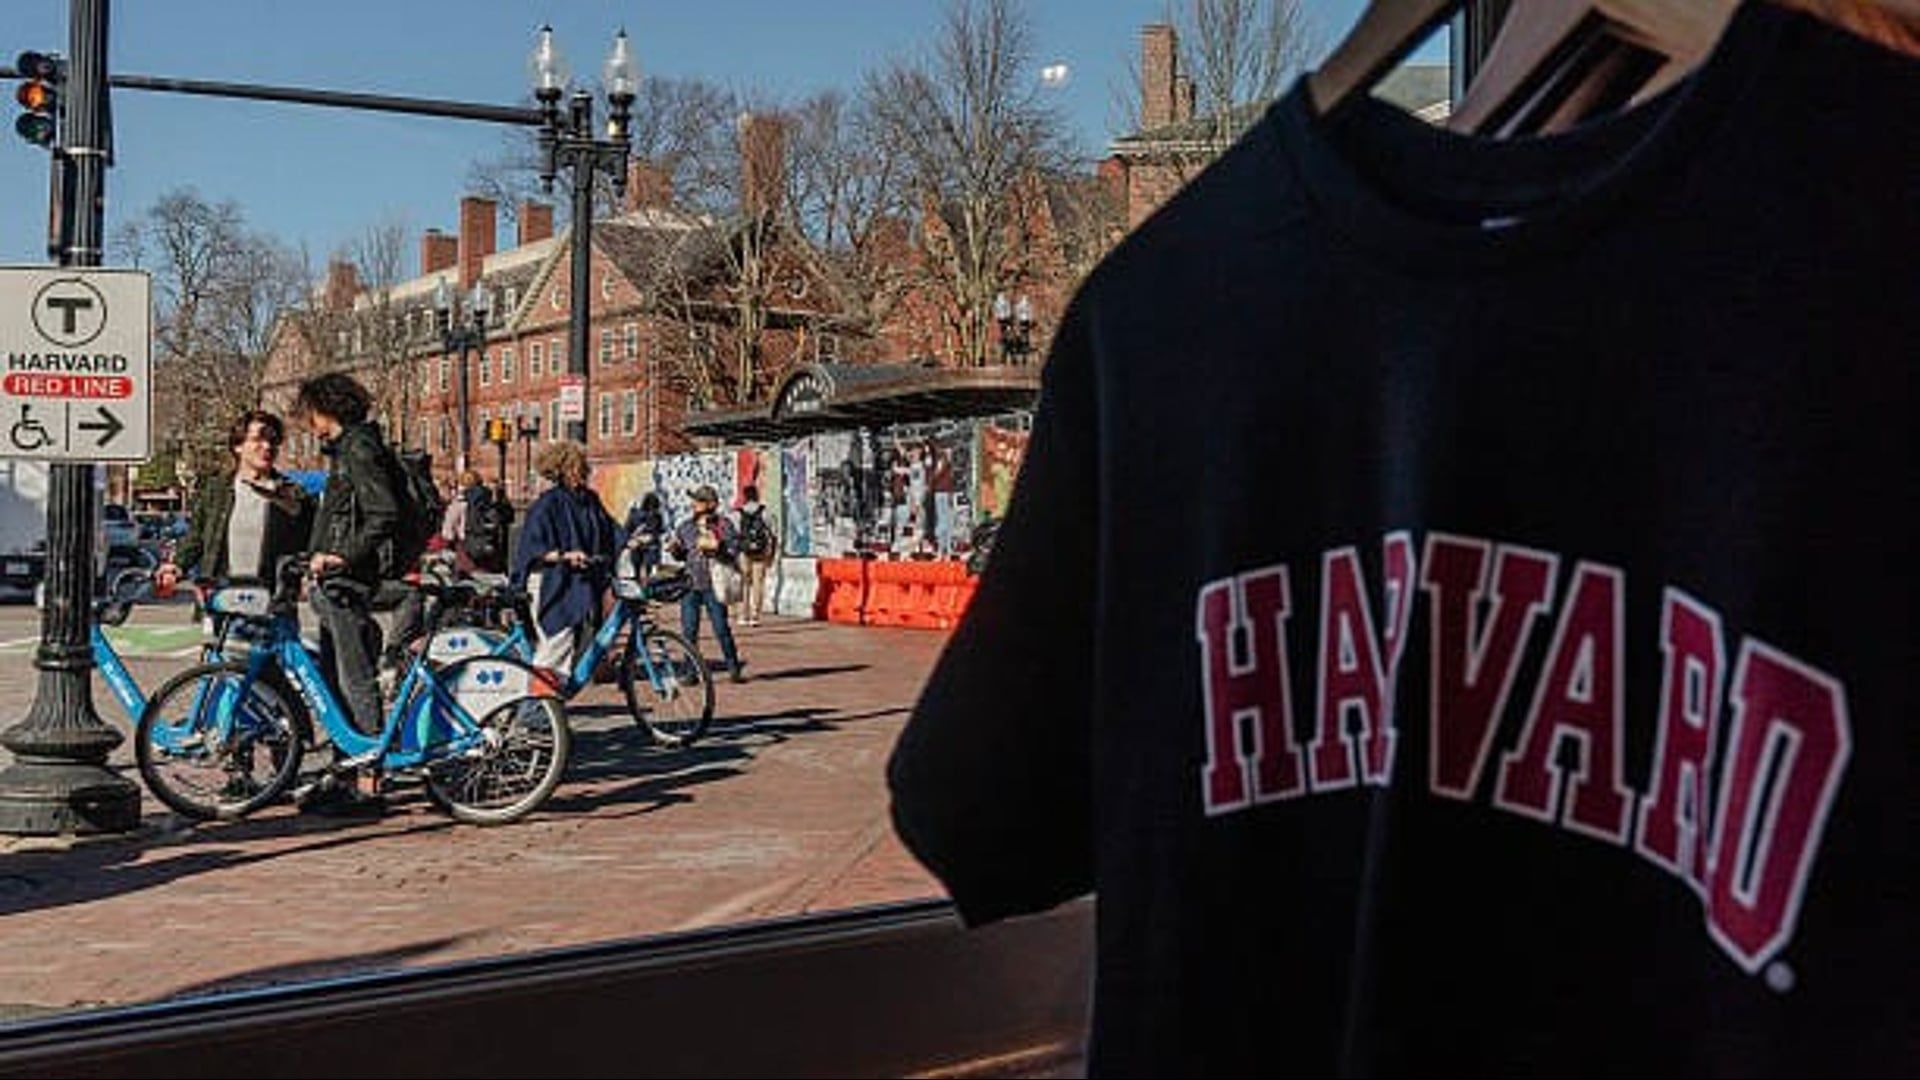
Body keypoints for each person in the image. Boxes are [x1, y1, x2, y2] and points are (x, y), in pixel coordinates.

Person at [294, 372, 402, 814]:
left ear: (326, 409)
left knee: (356, 680)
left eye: (310, 413)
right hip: (332, 582)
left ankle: (370, 783)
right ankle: (344, 769)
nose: (308, 423)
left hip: (348, 581)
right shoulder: (345, 450)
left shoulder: (358, 448)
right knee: (334, 678)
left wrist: (342, 557)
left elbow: (383, 513)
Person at [157, 410, 314, 590]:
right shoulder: (216, 491)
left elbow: (310, 543)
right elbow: (196, 538)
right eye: (258, 439)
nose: (267, 446)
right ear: (238, 446)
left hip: (273, 603)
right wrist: (176, 566)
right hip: (221, 598)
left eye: (273, 441)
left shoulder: (293, 495)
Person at [511, 440, 618, 677]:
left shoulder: (590, 499)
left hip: (577, 579)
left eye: (582, 468)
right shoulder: (547, 503)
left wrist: (630, 540)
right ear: (561, 470)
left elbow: (609, 529)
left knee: (575, 642)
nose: (582, 473)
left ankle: (552, 701)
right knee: (556, 643)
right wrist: (563, 555)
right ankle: (536, 707)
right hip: (551, 580)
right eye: (576, 468)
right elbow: (532, 545)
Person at [668, 485, 745, 684]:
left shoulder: (723, 524)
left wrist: (718, 547)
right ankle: (690, 672)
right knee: (689, 630)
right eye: (694, 500)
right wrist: (675, 549)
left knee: (721, 627)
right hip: (690, 584)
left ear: (710, 504)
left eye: (698, 500)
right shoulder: (685, 527)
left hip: (714, 584)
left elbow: (734, 549)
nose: (694, 503)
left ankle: (733, 666)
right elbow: (682, 554)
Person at [734, 484, 777, 627]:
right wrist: (772, 553)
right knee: (758, 583)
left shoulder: (738, 513)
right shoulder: (766, 512)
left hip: (743, 552)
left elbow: (734, 535)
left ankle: (742, 615)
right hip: (761, 551)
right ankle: (755, 616)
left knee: (744, 582)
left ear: (744, 496)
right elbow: (773, 534)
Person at [623, 490, 667, 579]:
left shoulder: (655, 516)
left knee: (642, 571)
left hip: (645, 547)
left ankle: (641, 578)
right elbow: (660, 530)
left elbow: (660, 530)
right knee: (643, 571)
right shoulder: (655, 516)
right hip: (642, 546)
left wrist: (650, 537)